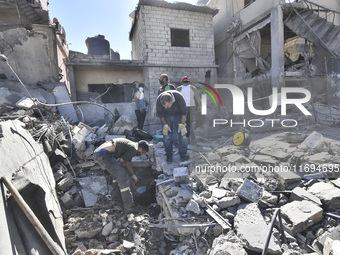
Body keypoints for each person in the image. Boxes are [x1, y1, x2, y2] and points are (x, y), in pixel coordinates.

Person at [93, 138, 149, 214]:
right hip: (104, 154)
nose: (142, 154)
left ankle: (116, 200)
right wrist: (127, 179)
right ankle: (129, 207)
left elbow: (128, 163)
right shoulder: (133, 148)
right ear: (140, 149)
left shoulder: (131, 146)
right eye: (143, 152)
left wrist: (133, 176)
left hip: (100, 153)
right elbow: (120, 162)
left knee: (118, 176)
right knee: (123, 177)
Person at [156, 91, 189, 163]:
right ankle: (169, 155)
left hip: (178, 115)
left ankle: (183, 154)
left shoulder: (179, 97)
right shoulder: (159, 100)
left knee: (182, 135)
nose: (166, 108)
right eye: (164, 107)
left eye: (167, 106)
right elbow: (160, 114)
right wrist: (165, 125)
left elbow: (184, 112)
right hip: (166, 116)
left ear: (172, 101)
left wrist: (182, 125)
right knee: (167, 136)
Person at [177, 76, 201, 143]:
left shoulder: (179, 88)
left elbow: (176, 99)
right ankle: (190, 138)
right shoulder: (193, 88)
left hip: (183, 107)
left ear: (182, 81)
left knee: (185, 122)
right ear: (188, 81)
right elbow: (197, 97)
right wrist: (199, 105)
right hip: (192, 107)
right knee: (189, 122)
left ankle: (190, 138)